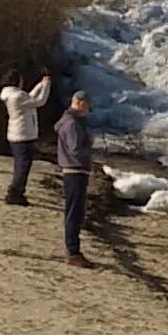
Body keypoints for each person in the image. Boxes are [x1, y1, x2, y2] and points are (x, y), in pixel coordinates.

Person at [0, 68, 52, 207]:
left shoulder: (13, 95)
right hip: (22, 134)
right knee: (23, 165)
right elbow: (39, 101)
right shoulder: (17, 96)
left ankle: (16, 190)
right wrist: (46, 86)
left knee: (21, 164)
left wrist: (41, 84)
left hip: (18, 133)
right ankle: (15, 192)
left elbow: (30, 97)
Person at [56, 91, 94, 268]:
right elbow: (75, 149)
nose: (88, 110)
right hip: (75, 170)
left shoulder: (71, 121)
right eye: (87, 106)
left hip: (74, 170)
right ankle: (73, 252)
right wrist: (89, 150)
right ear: (79, 103)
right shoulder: (72, 123)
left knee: (75, 212)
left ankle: (73, 250)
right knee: (74, 213)